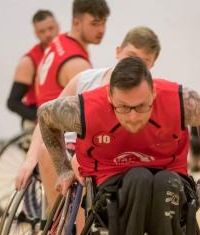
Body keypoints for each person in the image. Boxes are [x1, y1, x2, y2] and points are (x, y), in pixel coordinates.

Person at [38, 56, 200, 235]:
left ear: (154, 93)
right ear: (110, 98)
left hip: (170, 182)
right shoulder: (86, 108)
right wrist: (63, 169)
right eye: (123, 108)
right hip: (111, 188)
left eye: (141, 106)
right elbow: (45, 116)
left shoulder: (180, 101)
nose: (133, 116)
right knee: (138, 178)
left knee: (165, 182)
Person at [15, 26, 160, 198]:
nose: (135, 64)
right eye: (131, 55)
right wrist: (30, 159)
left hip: (109, 156)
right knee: (46, 150)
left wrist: (84, 156)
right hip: (70, 149)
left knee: (86, 173)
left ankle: (82, 221)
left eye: (144, 61)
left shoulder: (150, 95)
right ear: (118, 51)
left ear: (151, 65)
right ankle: (54, 221)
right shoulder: (85, 79)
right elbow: (47, 118)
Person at [15, 0, 110, 190]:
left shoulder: (58, 41)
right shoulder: (77, 64)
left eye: (104, 22)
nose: (101, 29)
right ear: (76, 22)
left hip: (44, 128)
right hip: (55, 136)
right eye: (94, 23)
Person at [7, 10, 59, 123]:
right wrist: (40, 118)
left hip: (61, 115)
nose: (48, 34)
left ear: (58, 26)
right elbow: (13, 102)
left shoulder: (67, 52)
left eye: (51, 28)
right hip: (37, 119)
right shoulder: (29, 61)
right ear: (36, 33)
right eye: (42, 31)